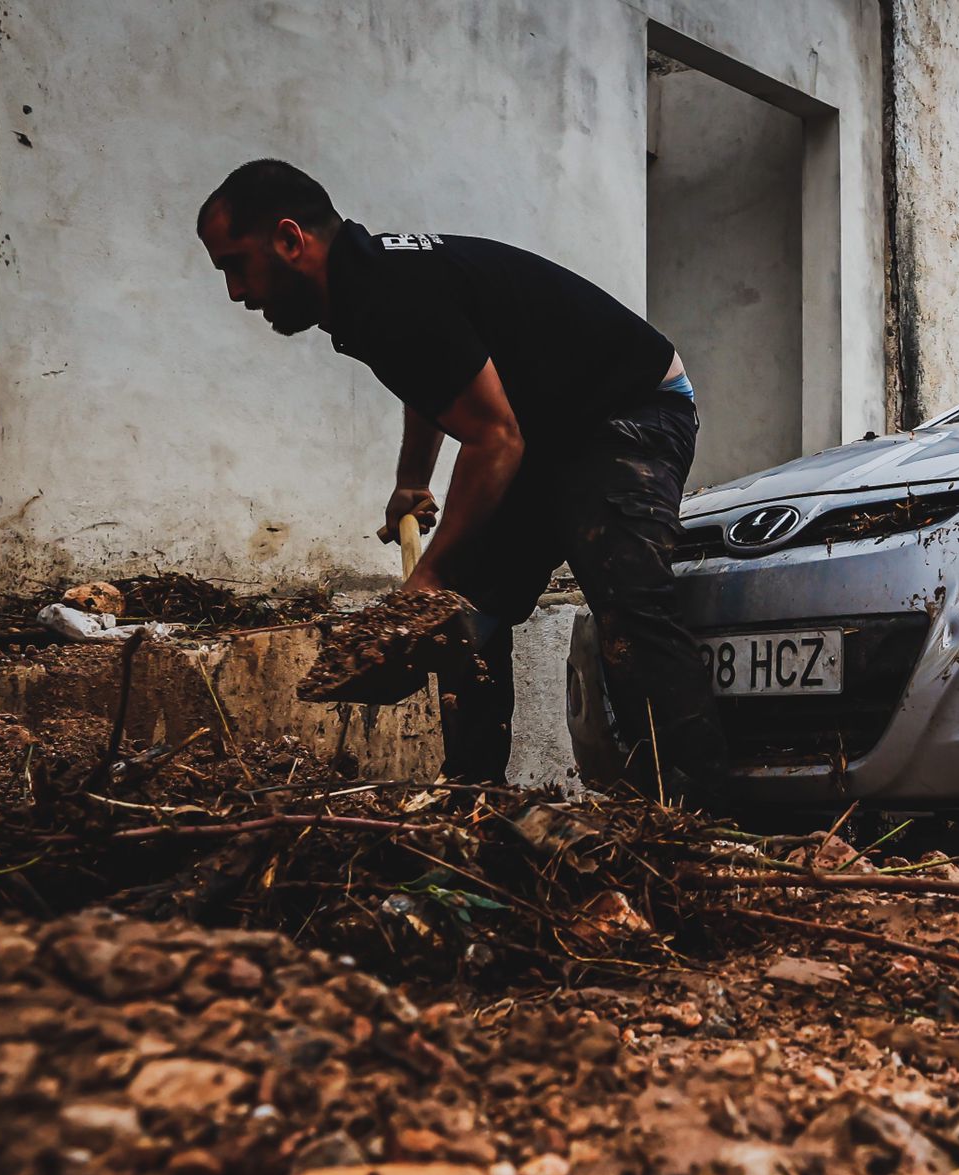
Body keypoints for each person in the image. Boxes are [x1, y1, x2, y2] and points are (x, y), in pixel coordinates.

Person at [195, 158, 726, 800]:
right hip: (547, 430)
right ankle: (474, 798)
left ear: (288, 239)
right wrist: (409, 481)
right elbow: (437, 382)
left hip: (629, 407)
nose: (233, 291)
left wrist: (429, 575)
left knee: (626, 599)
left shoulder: (390, 291)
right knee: (466, 617)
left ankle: (695, 815)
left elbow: (495, 439)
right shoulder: (363, 291)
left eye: (233, 264)